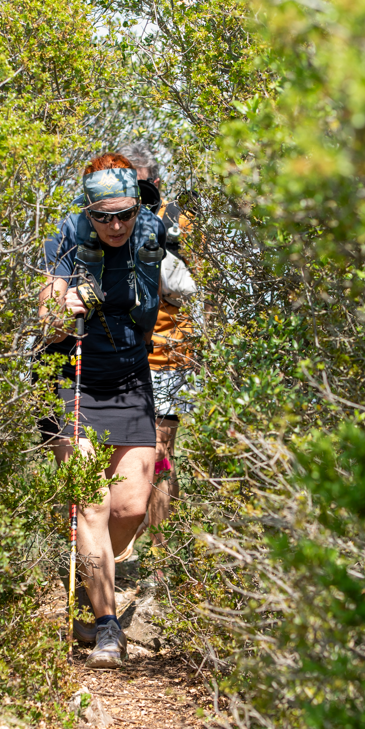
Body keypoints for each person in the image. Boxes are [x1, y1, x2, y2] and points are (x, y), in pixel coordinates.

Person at [38, 153, 168, 668]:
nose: (115, 226)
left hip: (131, 376)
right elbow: (46, 320)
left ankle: (95, 581)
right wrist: (61, 309)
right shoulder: (66, 238)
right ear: (87, 210)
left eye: (124, 214)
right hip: (72, 377)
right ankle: (107, 624)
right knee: (90, 504)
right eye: (104, 216)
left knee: (131, 506)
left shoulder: (149, 234)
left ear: (137, 206)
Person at [115, 143, 200, 554]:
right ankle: (119, 544)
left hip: (165, 355)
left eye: (138, 182)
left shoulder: (176, 220)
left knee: (161, 455)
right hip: (117, 354)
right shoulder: (109, 218)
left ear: (155, 181)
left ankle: (163, 560)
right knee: (119, 454)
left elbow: (193, 286)